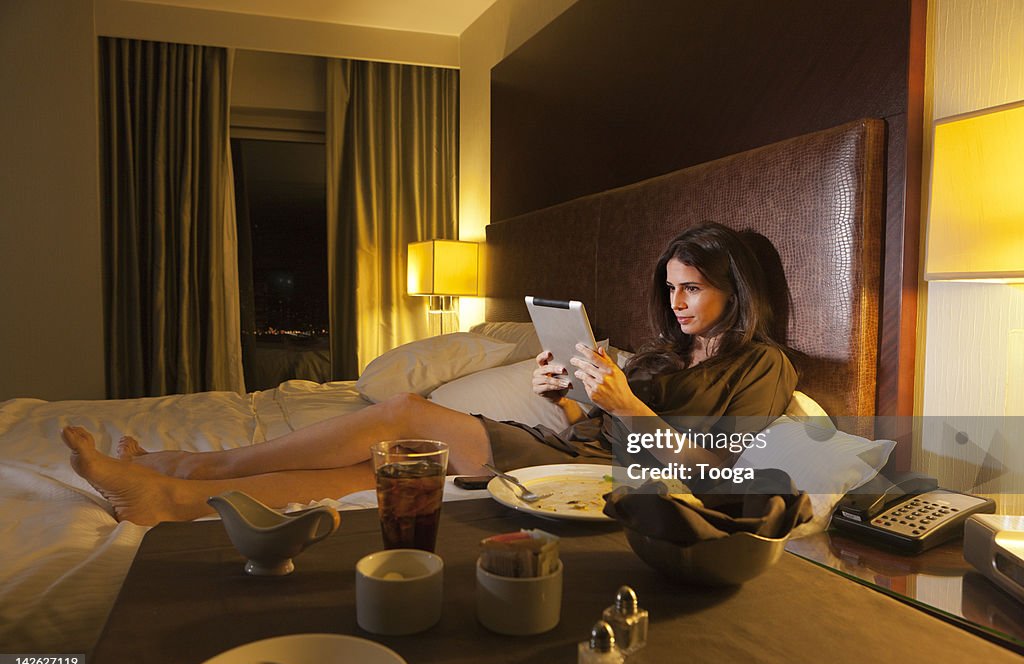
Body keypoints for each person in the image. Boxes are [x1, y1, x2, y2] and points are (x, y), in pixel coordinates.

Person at [64, 221, 796, 524]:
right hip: (567, 451)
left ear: (737, 289)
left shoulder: (763, 367)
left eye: (691, 287)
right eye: (670, 287)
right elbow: (601, 419)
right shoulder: (665, 355)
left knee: (402, 412)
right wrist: (568, 398)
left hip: (597, 484)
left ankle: (199, 460)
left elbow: (728, 478)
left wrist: (628, 406)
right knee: (370, 475)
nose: (676, 302)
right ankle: (172, 494)